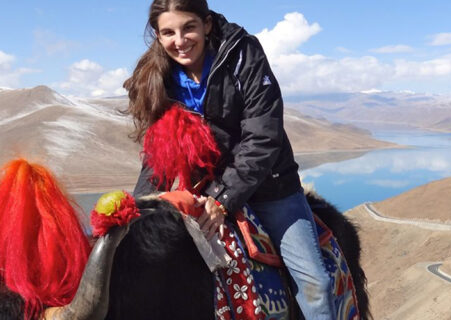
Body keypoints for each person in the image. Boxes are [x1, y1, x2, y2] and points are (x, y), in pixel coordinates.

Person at [125, 0, 338, 318]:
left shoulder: (242, 54)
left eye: (189, 28)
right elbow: (158, 153)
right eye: (168, 32)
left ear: (207, 24)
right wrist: (136, 210)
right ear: (157, 36)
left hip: (269, 185)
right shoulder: (156, 77)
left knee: (315, 285)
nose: (180, 41)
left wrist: (222, 198)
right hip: (197, 187)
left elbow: (263, 137)